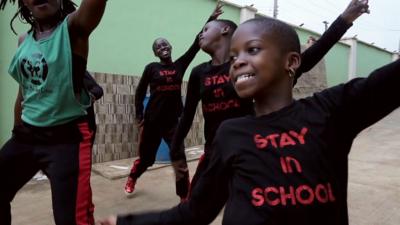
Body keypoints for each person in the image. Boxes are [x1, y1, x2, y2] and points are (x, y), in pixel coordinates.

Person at [100, 2, 400, 225]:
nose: (238, 62)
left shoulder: (328, 113)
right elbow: (194, 214)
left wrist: (344, 20)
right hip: (213, 151)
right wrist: (127, 222)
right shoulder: (230, 132)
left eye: (252, 50)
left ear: (291, 62)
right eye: (234, 57)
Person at [169, 0, 370, 198]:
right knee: (192, 204)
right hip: (215, 153)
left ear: (225, 30)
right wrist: (176, 153)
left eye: (206, 28)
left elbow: (308, 58)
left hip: (252, 151)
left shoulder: (254, 70)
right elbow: (186, 116)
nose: (201, 34)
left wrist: (344, 20)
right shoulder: (199, 73)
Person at [0, 0, 107, 224]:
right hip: (27, 136)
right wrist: (16, 133)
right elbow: (24, 94)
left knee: (72, 219)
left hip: (66, 139)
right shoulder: (23, 41)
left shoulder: (73, 29)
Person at [125, 2, 223, 200]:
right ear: (155, 53)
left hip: (173, 124)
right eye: (158, 46)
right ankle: (133, 177)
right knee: (146, 160)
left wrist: (211, 20)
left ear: (171, 47)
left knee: (179, 159)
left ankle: (184, 197)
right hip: (152, 122)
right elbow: (140, 91)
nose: (163, 47)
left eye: (165, 44)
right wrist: (139, 116)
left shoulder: (180, 65)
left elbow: (196, 45)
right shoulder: (151, 68)